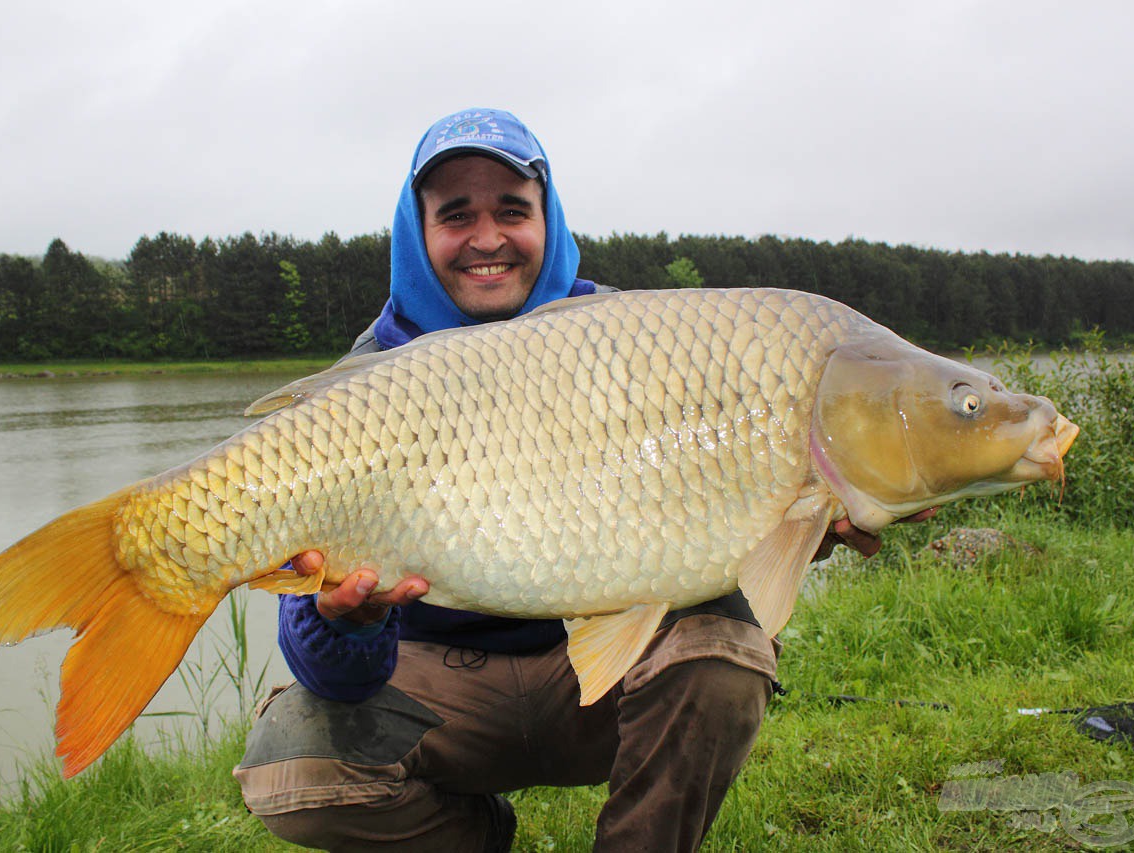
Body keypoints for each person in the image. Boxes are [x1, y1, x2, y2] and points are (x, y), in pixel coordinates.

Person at [233, 108, 917, 851]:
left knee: (727, 647)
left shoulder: (629, 342)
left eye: (512, 210)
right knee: (287, 765)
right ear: (416, 230)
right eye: (456, 214)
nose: (488, 237)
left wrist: (800, 522)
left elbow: (719, 535)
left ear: (547, 219)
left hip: (594, 690)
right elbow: (329, 673)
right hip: (442, 691)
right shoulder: (369, 383)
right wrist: (345, 619)